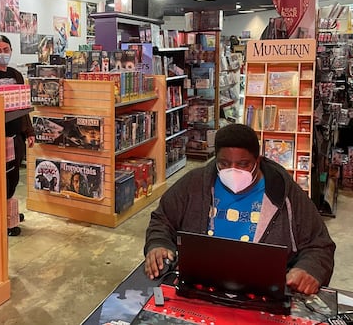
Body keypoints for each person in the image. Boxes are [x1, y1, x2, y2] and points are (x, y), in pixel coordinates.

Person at [144, 123, 335, 295]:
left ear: (257, 161)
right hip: (199, 289)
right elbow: (163, 220)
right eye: (224, 164)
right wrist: (158, 244)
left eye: (243, 164)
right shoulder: (194, 184)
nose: (233, 170)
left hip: (263, 296)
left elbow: (320, 244)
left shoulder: (285, 194)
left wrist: (309, 269)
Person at [0, 35, 35, 236]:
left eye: (6, 49)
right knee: (2, 178)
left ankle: (10, 213)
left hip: (16, 135)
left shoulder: (16, 75)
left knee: (14, 176)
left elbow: (24, 106)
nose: (3, 54)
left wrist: (29, 131)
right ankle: (5, 220)